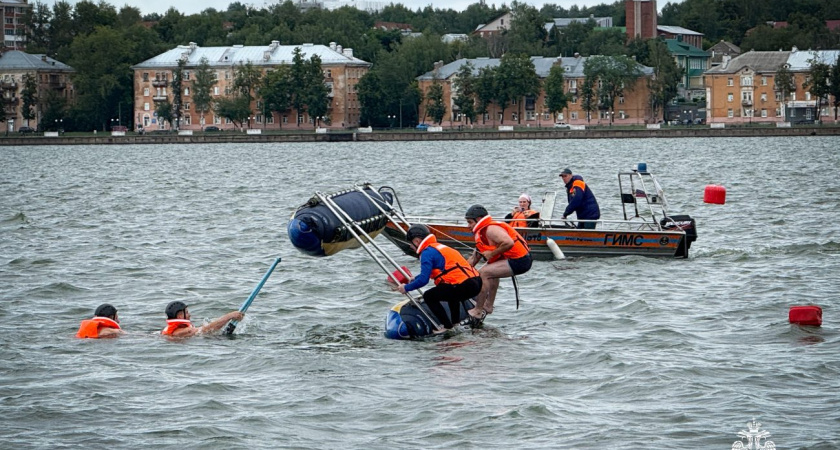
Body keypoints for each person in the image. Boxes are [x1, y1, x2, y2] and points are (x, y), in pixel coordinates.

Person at [394, 224, 483, 332]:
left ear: (417, 241)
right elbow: (438, 272)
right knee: (449, 291)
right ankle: (455, 323)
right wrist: (414, 279)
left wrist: (406, 288)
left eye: (411, 243)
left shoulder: (426, 252)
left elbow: (424, 280)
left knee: (429, 296)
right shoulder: (438, 247)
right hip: (476, 282)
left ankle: (447, 326)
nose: (410, 247)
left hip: (464, 285)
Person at [464, 205, 532, 322]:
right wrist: (460, 272)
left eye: (470, 222)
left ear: (479, 219)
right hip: (514, 260)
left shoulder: (491, 229)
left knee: (483, 273)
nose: (468, 226)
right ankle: (488, 306)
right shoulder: (481, 232)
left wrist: (492, 253)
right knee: (491, 271)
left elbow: (508, 242)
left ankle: (478, 311)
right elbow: (473, 259)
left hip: (521, 260)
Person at [161, 301, 244, 338]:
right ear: (179, 316)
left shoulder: (173, 330)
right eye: (186, 312)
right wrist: (229, 316)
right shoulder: (184, 331)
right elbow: (206, 330)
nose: (189, 315)